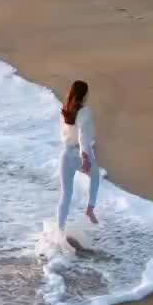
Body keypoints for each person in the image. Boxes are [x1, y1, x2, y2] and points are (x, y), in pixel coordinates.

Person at [57, 78, 100, 237]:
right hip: (80, 154)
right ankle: (90, 209)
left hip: (66, 154)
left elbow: (64, 134)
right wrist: (85, 156)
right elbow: (83, 136)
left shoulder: (65, 110)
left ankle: (59, 232)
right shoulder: (85, 112)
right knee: (95, 177)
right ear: (84, 95)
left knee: (65, 195)